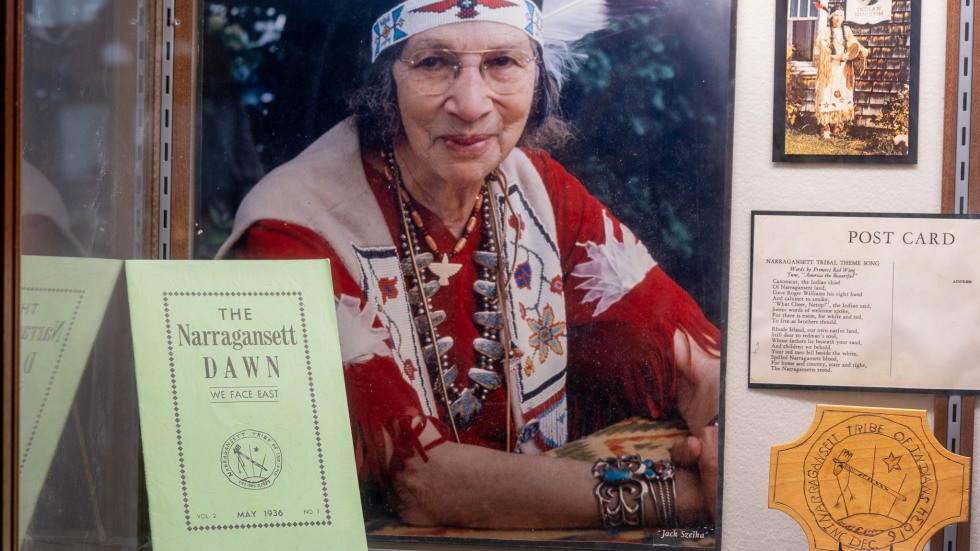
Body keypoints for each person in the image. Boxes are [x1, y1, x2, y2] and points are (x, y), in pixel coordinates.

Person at [218, 0, 720, 530]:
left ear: (539, 78)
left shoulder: (537, 188)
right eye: (433, 63)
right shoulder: (295, 230)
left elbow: (696, 364)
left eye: (503, 62)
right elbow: (420, 483)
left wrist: (723, 442)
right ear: (385, 83)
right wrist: (690, 493)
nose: (471, 103)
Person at [814, 4, 868, 139]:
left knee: (843, 93)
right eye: (836, 15)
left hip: (843, 69)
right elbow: (822, 50)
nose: (838, 18)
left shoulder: (846, 30)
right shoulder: (825, 31)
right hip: (829, 69)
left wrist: (862, 50)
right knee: (826, 93)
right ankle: (825, 126)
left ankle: (839, 126)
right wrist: (837, 56)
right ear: (831, 16)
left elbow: (853, 44)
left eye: (841, 15)